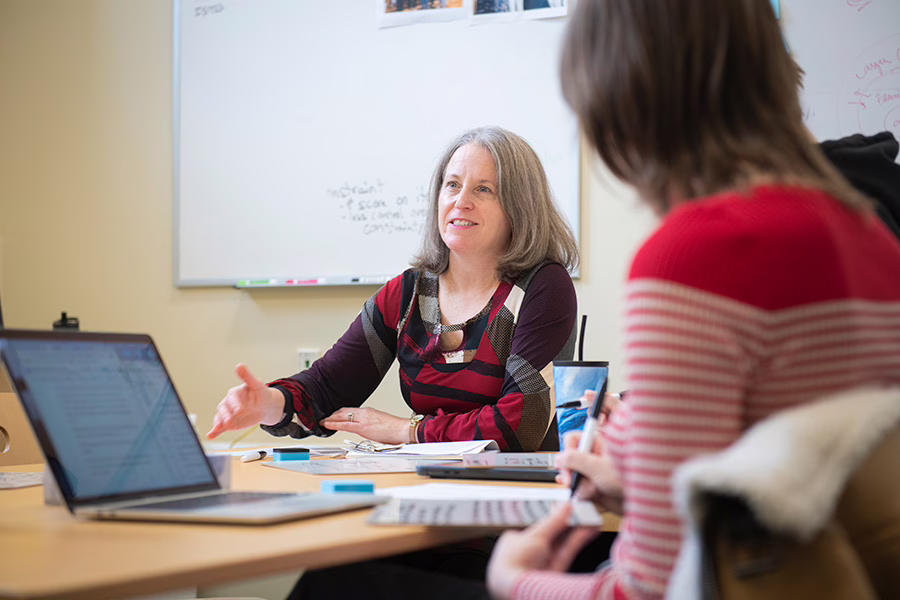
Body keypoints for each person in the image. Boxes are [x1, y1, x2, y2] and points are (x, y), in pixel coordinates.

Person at [486, 1, 900, 599]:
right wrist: (639, 480)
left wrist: (514, 582)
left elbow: (650, 591)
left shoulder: (693, 257)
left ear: (622, 106)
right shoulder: (873, 236)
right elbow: (814, 481)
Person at [208, 126, 579, 455]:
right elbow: (328, 386)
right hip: (426, 486)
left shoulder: (543, 288)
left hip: (519, 497)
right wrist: (269, 404)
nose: (460, 201)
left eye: (484, 189)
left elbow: (521, 425)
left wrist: (407, 430)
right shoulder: (408, 294)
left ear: (520, 207)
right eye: (452, 185)